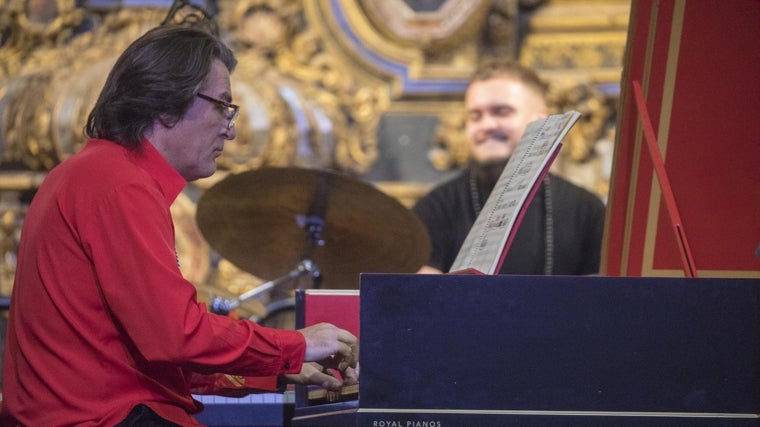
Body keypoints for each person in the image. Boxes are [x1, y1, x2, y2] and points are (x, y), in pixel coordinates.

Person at [1, 25, 358, 426]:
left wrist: (278, 370)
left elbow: (155, 357)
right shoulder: (118, 183)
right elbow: (175, 337)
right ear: (167, 105)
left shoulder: (95, 173)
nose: (232, 127)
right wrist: (298, 343)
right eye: (223, 105)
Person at [413, 58, 605, 275]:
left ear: (541, 119)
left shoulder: (586, 210)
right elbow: (422, 298)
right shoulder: (435, 209)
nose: (486, 125)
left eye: (502, 112)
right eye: (475, 116)